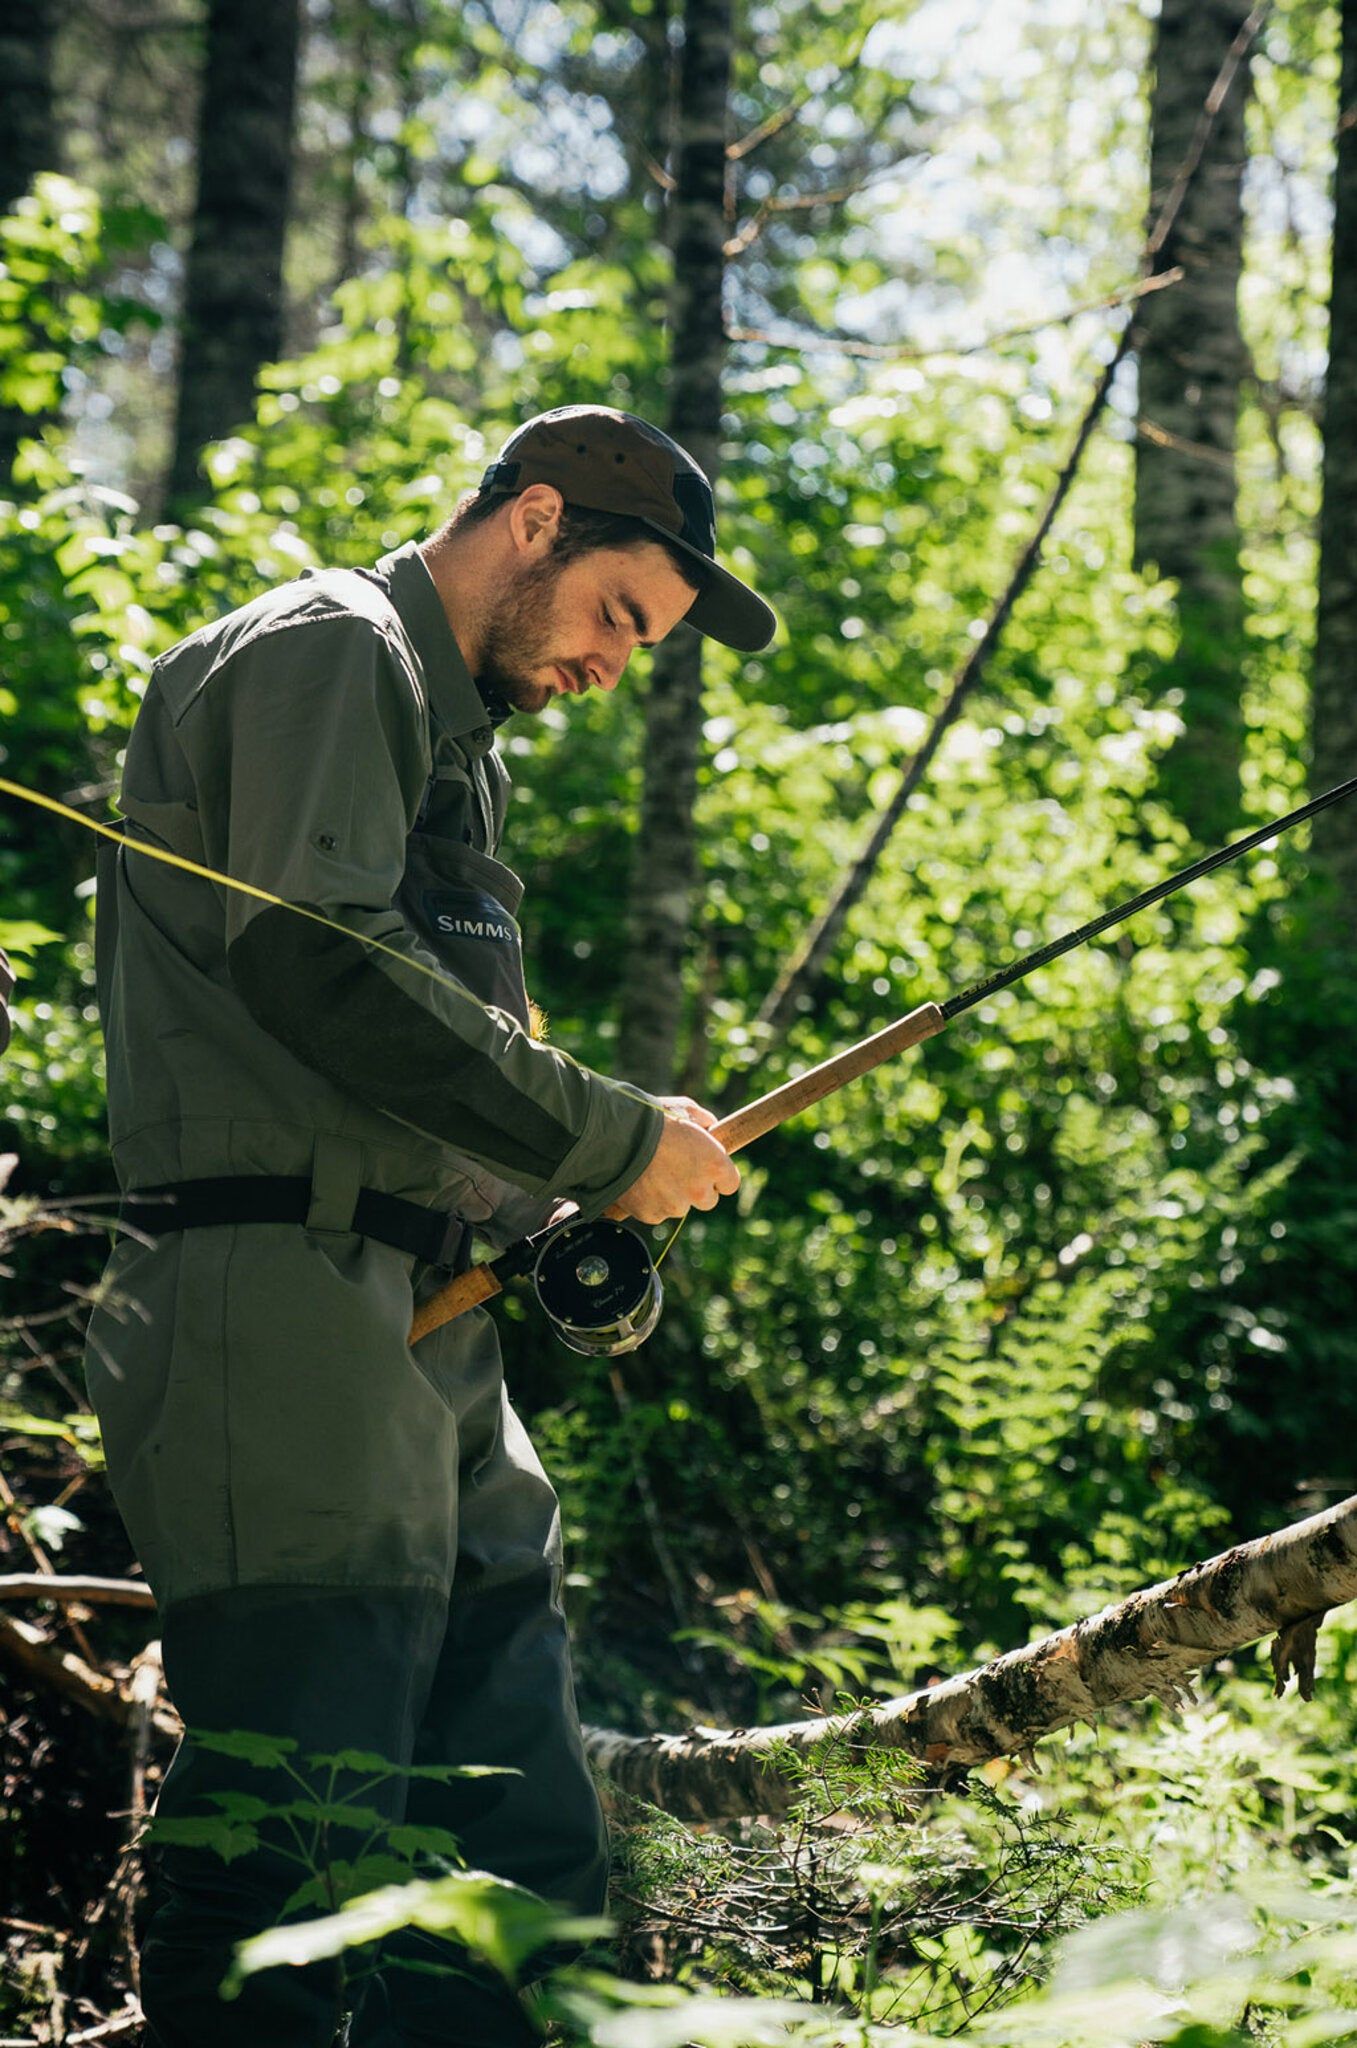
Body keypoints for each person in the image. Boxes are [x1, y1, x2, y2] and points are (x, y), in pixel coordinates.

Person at [83, 404, 775, 2047]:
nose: (617, 666)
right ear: (533, 521)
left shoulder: (456, 755)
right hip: (270, 1307)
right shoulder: (332, 650)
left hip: (427, 1329)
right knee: (299, 1852)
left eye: (647, 646)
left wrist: (563, 1206)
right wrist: (613, 1136)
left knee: (511, 1851)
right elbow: (319, 965)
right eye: (620, 614)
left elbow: (434, 1072)